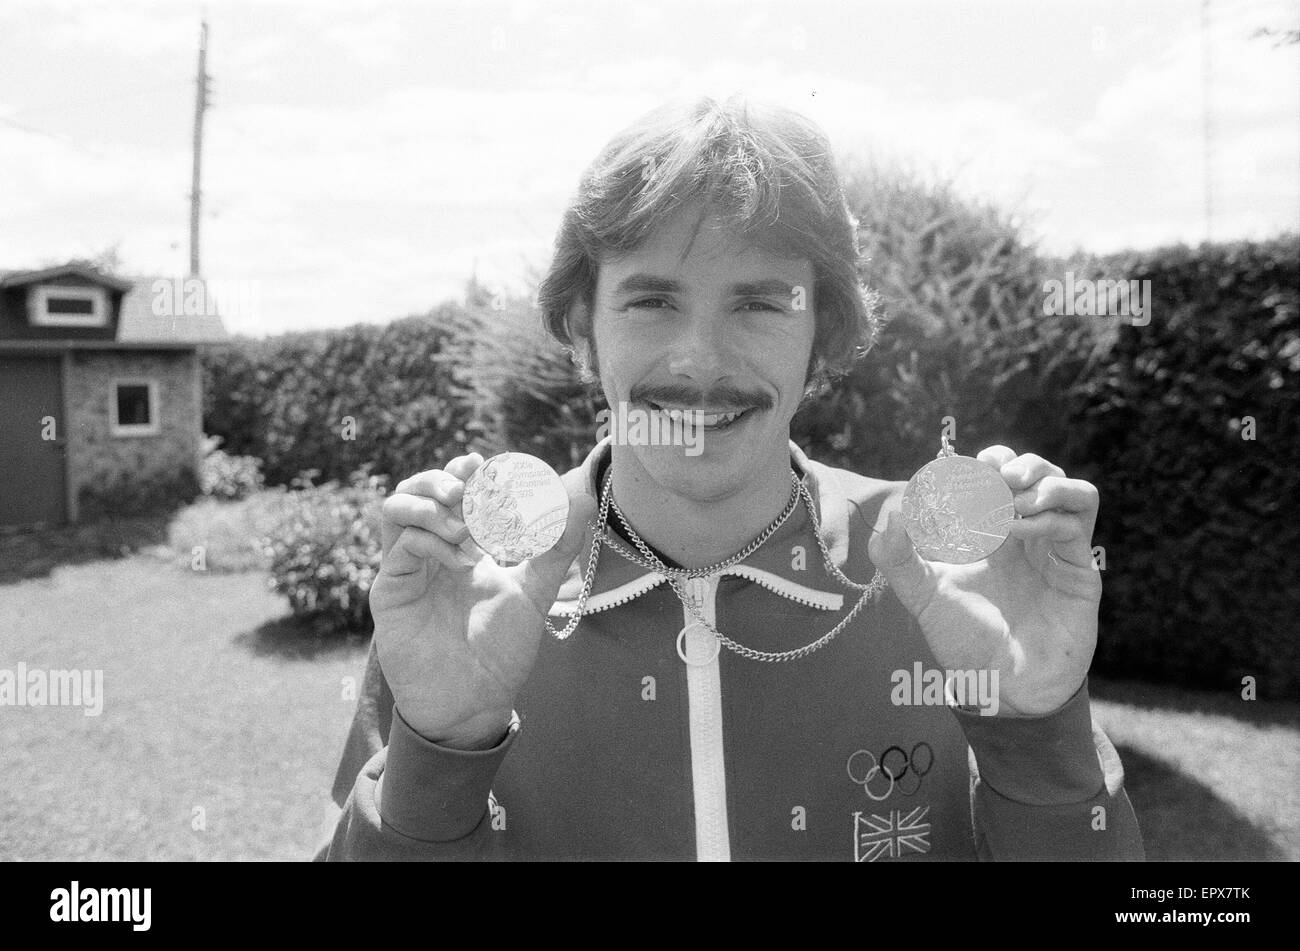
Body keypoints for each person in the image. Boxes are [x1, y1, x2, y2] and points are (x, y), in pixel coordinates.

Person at [318, 96, 1144, 861]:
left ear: (822, 333)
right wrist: (441, 755)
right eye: (652, 301)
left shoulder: (946, 579)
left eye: (758, 303)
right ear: (582, 326)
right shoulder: (466, 598)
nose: (699, 362)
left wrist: (1036, 730)